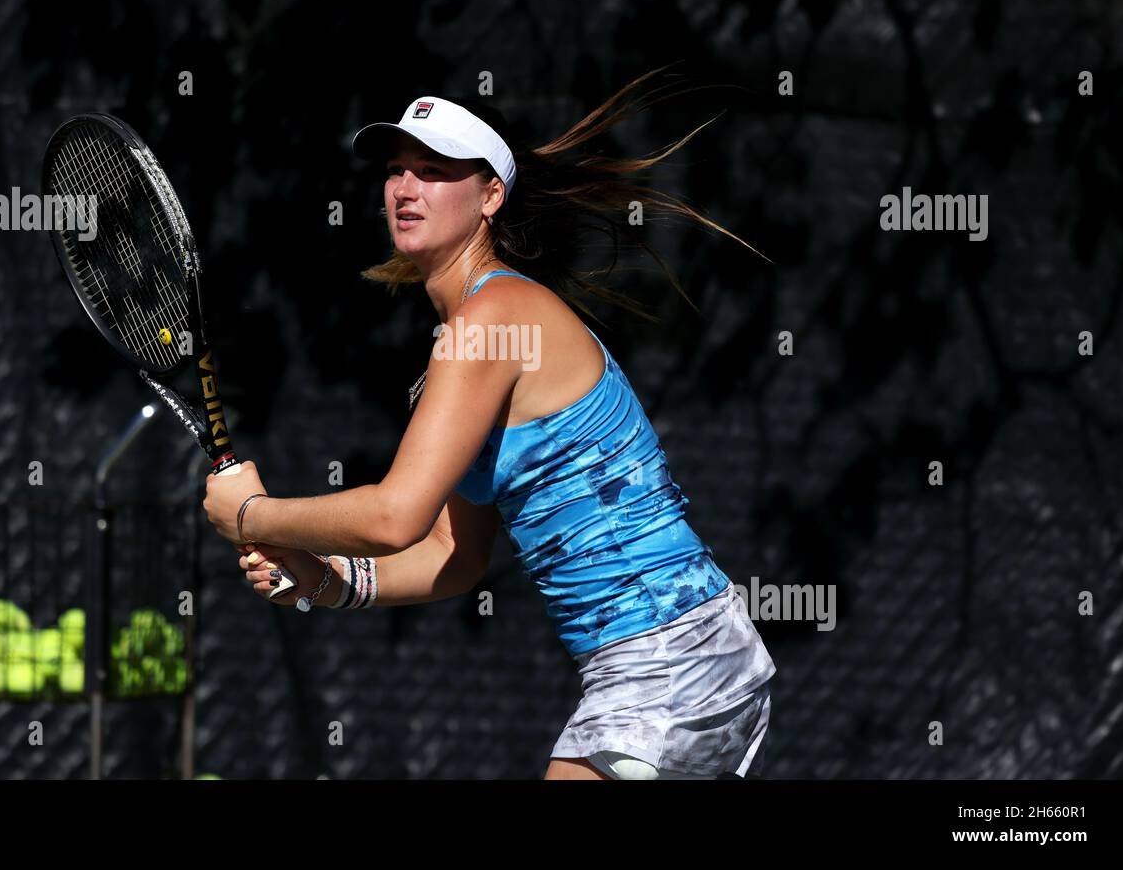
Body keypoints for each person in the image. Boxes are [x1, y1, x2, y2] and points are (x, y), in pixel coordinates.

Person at [204, 67, 777, 779]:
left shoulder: (492, 320)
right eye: (396, 170)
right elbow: (454, 550)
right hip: (677, 657)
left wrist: (252, 516)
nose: (405, 188)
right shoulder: (466, 341)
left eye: (434, 170)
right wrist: (330, 580)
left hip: (669, 656)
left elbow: (394, 514)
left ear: (491, 196)